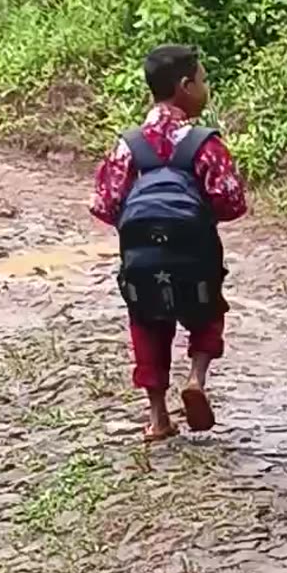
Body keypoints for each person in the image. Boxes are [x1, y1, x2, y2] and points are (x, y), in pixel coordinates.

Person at [91, 44, 248, 441]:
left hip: (142, 258)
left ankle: (158, 416)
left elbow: (106, 205)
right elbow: (232, 202)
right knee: (208, 311)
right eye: (203, 79)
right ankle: (195, 378)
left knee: (146, 324)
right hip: (195, 255)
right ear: (185, 86)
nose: (205, 86)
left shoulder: (128, 145)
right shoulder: (204, 143)